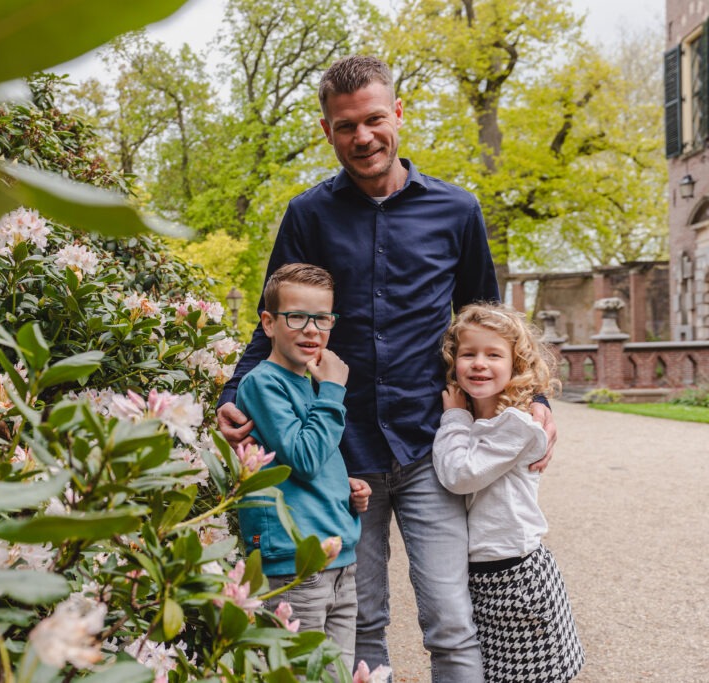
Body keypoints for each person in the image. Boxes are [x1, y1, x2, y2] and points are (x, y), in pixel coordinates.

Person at [216, 55, 558, 681]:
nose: (363, 137)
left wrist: (536, 400)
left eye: (374, 119)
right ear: (327, 131)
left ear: (398, 114)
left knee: (453, 623)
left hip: (431, 445)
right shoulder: (308, 216)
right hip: (342, 456)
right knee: (361, 620)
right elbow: (274, 319)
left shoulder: (457, 211)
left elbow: (490, 319)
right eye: (345, 126)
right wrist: (235, 391)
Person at [432, 303, 584, 682]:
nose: (479, 363)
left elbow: (458, 474)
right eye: (469, 354)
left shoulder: (516, 424)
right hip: (485, 574)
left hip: (517, 577)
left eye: (493, 354)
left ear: (517, 365)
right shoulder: (481, 420)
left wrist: (453, 416)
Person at [234, 263, 370, 673]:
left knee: (337, 675)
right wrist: (333, 389)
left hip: (338, 561)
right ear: (269, 323)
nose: (312, 330)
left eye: (323, 318)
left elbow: (307, 461)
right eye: (297, 317)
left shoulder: (308, 383)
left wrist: (344, 486)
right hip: (296, 566)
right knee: (300, 675)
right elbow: (306, 457)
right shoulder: (262, 384)